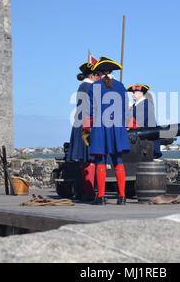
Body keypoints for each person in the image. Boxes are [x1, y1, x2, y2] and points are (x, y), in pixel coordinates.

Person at [83, 57, 130, 205]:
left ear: (99, 73)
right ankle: (122, 196)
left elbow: (90, 110)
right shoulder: (121, 86)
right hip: (116, 127)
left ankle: (101, 196)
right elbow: (125, 109)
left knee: (100, 161)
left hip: (100, 126)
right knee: (118, 161)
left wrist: (87, 128)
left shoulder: (94, 86)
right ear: (111, 71)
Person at [67, 60, 101, 201]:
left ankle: (83, 191)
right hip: (88, 125)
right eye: (99, 74)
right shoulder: (90, 87)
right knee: (90, 160)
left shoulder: (82, 86)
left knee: (84, 160)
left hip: (80, 124)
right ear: (93, 75)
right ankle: (89, 192)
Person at [127, 84, 162, 158]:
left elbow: (139, 122)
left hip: (148, 143)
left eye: (134, 92)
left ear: (141, 93)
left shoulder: (146, 104)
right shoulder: (135, 105)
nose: (132, 94)